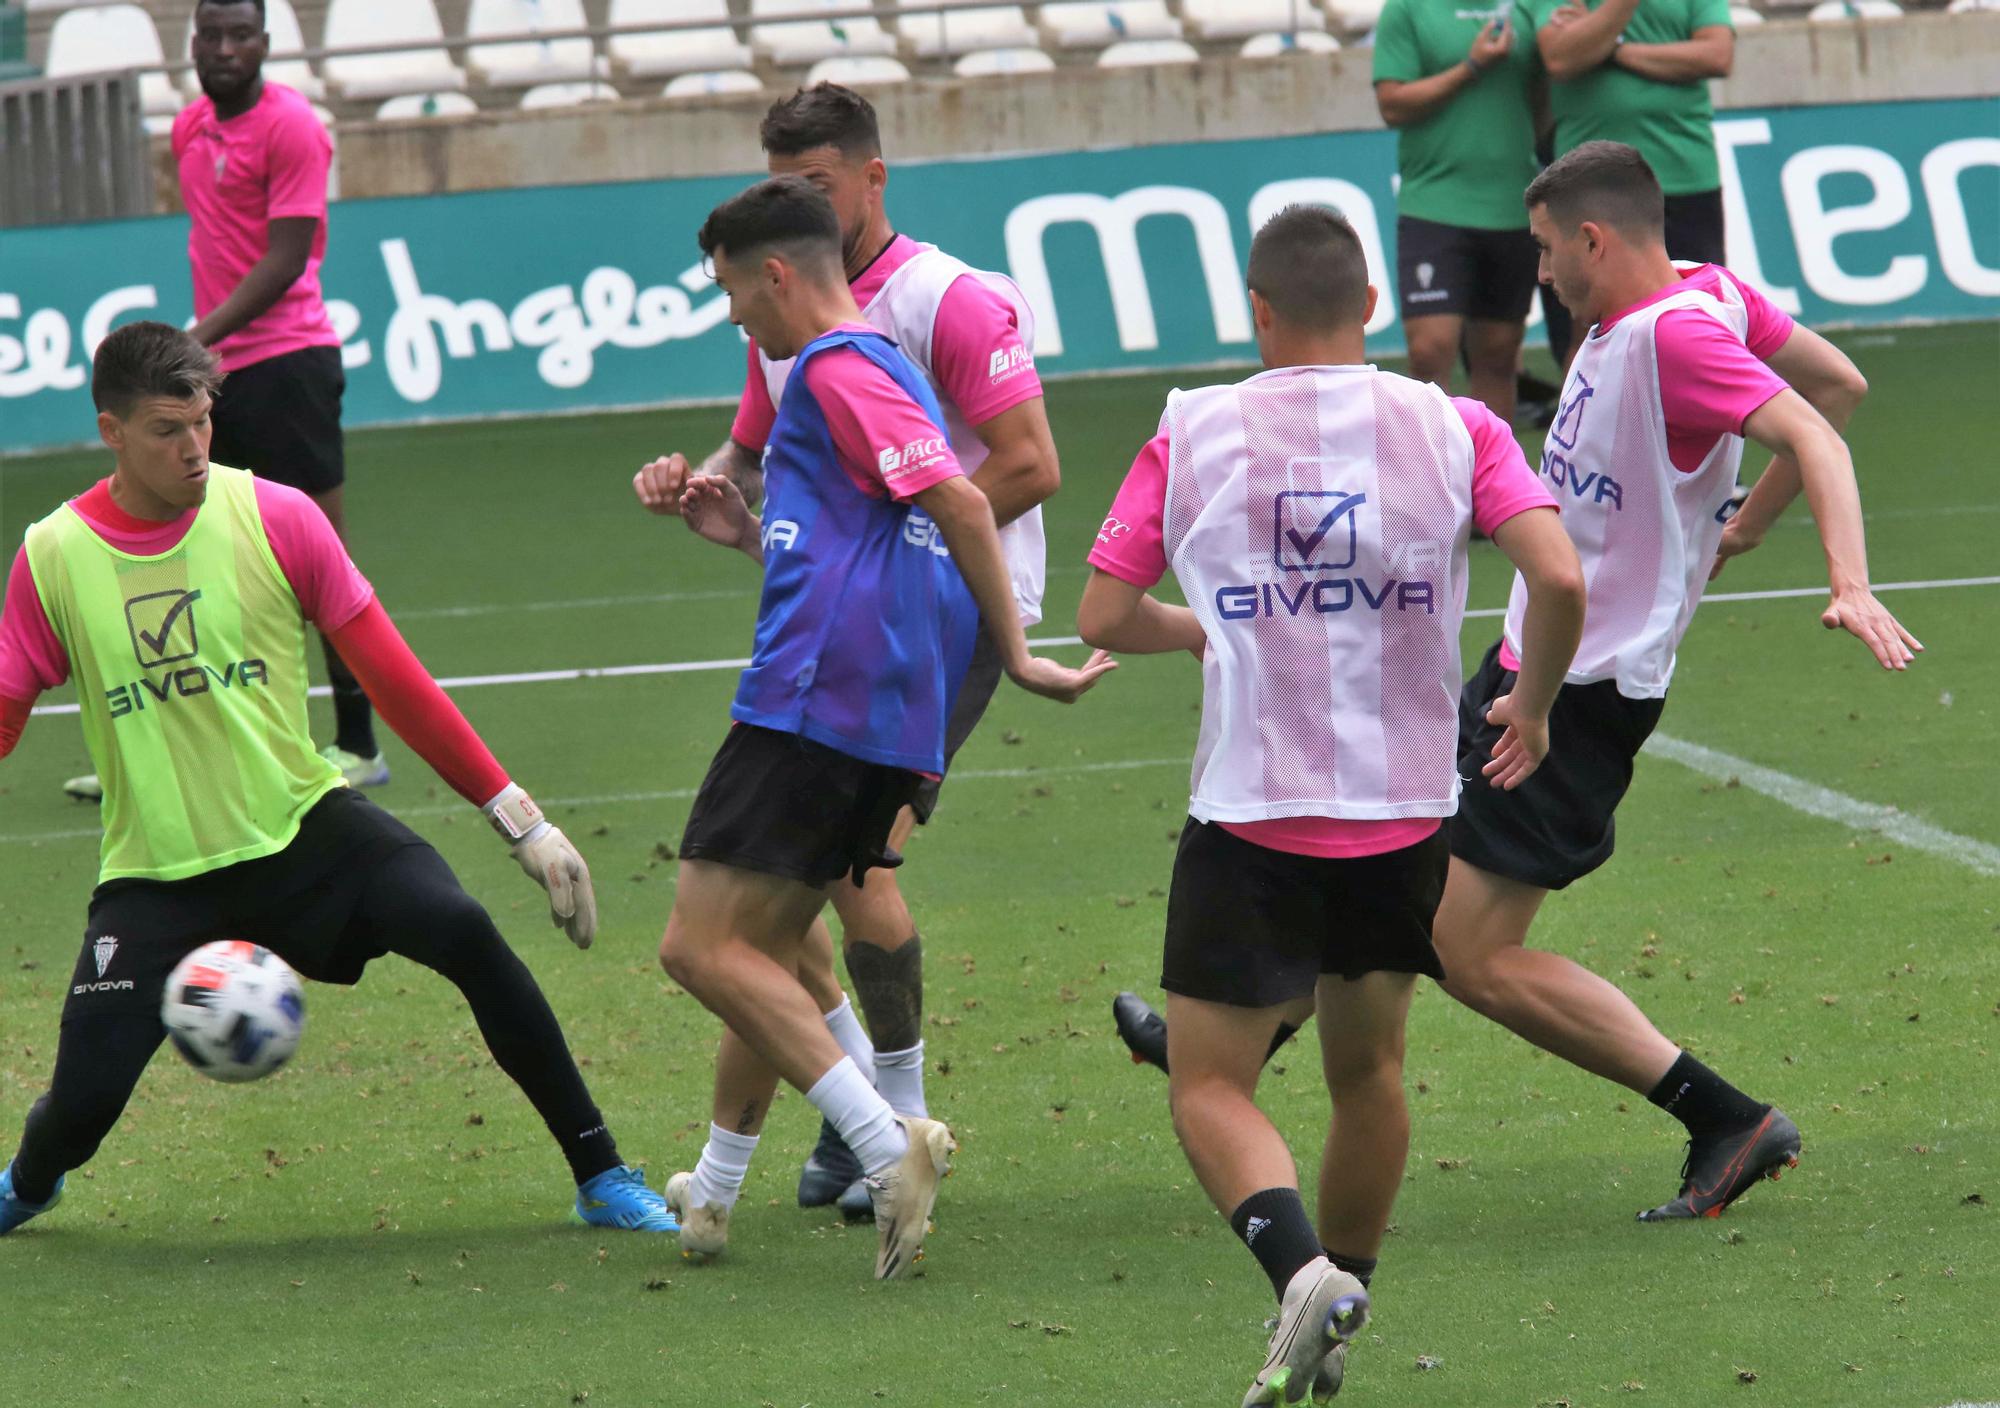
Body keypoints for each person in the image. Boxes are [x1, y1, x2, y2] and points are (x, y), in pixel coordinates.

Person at [1116, 144, 1919, 1228]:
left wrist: (1841, 574)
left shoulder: (1675, 335)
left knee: (1465, 949)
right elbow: (1841, 378)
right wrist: (1739, 519)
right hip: (1531, 656)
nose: (1538, 273)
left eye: (1545, 251)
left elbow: (1816, 425)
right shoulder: (1708, 294)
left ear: (1592, 238)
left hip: (1579, 683)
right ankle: (1239, 1021)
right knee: (1380, 845)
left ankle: (1722, 1114)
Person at [0, 322, 675, 1237]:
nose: (195, 446)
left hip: (304, 828)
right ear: (111, 431)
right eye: (167, 429)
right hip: (156, 872)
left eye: (203, 420)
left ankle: (599, 1172)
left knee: (463, 928)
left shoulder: (276, 516)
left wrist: (521, 820)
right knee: (77, 1110)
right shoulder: (53, 555)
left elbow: (394, 677)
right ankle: (29, 1184)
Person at [1077, 205, 1586, 1404]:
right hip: (1405, 809)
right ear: (1368, 306)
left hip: (1253, 809)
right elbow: (1556, 574)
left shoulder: (1193, 429)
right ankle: (1343, 1298)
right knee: (1367, 1073)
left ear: (1257, 312)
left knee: (1208, 1085)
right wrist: (1536, 704)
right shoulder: (1452, 420)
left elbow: (1099, 616)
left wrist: (1196, 630)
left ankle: (1298, 1271)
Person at [647, 177, 1111, 1279]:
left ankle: (881, 1138)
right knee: (771, 946)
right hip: (872, 705)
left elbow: (954, 500)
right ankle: (712, 1190)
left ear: (775, 274)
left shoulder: (837, 365)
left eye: (729, 291)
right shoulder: (876, 368)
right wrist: (747, 532)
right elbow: (868, 540)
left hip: (815, 697)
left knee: (698, 946)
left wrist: (1017, 655)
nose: (730, 318)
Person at [53, 0, 379, 805]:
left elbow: (288, 255)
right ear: (191, 43)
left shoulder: (293, 126)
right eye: (212, 35)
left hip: (289, 365)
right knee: (182, 555)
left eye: (242, 35)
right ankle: (155, 744)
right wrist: (201, 359)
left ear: (265, 43)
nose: (226, 48)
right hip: (213, 377)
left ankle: (359, 745)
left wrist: (196, 342)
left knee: (315, 562)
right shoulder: (191, 127)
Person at [1529, 0, 1736, 364]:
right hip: (1589, 183)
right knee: (1590, 326)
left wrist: (1611, 47)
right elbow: (1561, 57)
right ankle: (1585, 422)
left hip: (1684, 172)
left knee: (1703, 313)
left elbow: (1717, 55)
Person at [1373, 2, 1542, 423]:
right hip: (1433, 204)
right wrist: (1471, 66)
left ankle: (1487, 477)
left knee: (1499, 356)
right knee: (1429, 351)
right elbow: (1392, 103)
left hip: (1510, 205)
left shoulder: (1527, 6)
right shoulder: (1408, 9)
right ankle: (1428, 475)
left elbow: (1545, 97)